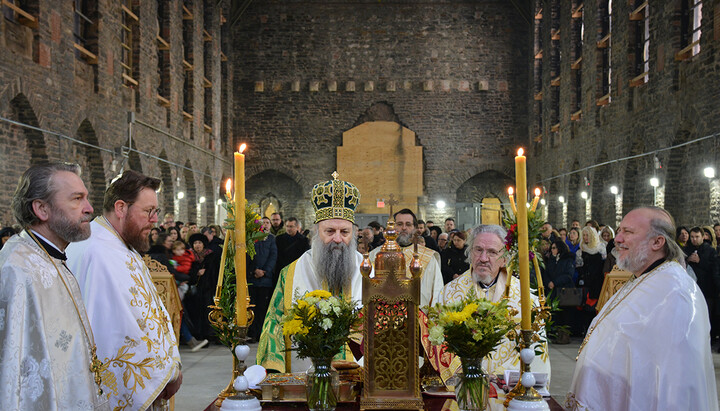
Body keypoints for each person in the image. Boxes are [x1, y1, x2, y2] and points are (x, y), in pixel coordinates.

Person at [566, 207, 718, 410]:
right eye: (619, 231)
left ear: (657, 242)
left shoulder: (677, 293)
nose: (617, 239)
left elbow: (677, 384)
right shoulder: (642, 277)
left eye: (628, 232)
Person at [67, 170, 182, 410]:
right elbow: (110, 329)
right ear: (121, 208)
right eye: (149, 211)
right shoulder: (97, 252)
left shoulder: (120, 245)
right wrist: (161, 373)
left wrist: (171, 367)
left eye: (156, 212)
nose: (155, 221)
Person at [0, 163, 107, 409]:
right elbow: (13, 373)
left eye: (87, 198)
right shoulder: (18, 269)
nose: (89, 208)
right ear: (41, 209)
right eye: (77, 199)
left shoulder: (52, 258)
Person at [257, 173, 366, 372]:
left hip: (362, 379)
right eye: (330, 231)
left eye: (344, 232)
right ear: (316, 231)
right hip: (305, 379)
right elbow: (274, 323)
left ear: (353, 233)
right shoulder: (290, 274)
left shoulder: (370, 272)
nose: (338, 239)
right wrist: (273, 369)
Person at [424, 224, 550, 390]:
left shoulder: (525, 298)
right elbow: (435, 341)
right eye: (478, 250)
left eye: (492, 252)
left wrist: (498, 375)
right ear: (469, 253)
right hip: (462, 387)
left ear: (505, 258)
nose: (483, 258)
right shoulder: (449, 293)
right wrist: (468, 372)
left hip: (507, 391)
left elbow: (535, 349)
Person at [368, 208, 444, 307]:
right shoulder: (376, 255)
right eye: (399, 224)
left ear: (415, 228)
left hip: (419, 318)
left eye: (408, 224)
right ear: (393, 227)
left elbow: (437, 291)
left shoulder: (428, 256)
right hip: (383, 318)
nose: (404, 228)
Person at [247, 217, 277, 343]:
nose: (264, 225)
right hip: (252, 278)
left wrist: (264, 271)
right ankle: (253, 333)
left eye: (267, 223)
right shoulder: (252, 238)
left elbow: (273, 256)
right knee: (252, 307)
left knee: (263, 308)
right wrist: (254, 270)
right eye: (262, 223)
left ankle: (263, 333)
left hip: (265, 279)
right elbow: (249, 254)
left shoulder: (271, 239)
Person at [273, 217, 310, 289]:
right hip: (282, 269)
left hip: (298, 270)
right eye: (287, 226)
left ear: (297, 227)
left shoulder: (304, 240)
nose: (289, 229)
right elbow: (276, 255)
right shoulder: (279, 239)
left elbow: (305, 257)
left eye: (291, 226)